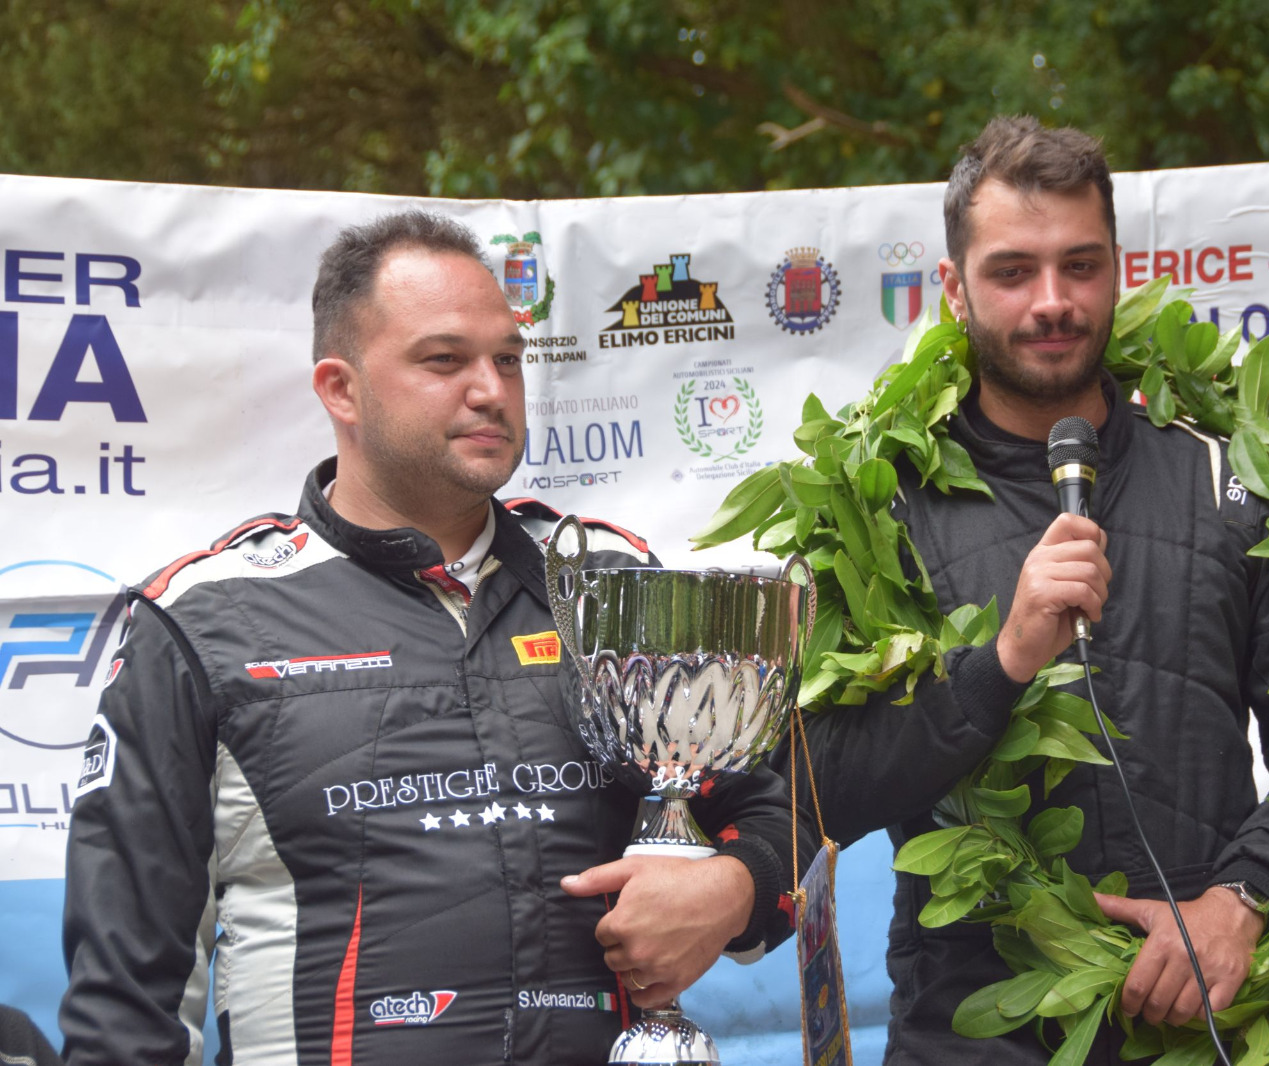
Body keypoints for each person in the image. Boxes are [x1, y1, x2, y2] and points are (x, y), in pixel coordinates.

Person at [58, 211, 804, 1065]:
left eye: (509, 361)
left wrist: (736, 888)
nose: (491, 389)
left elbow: (780, 799)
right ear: (341, 389)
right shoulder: (202, 619)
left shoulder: (613, 584)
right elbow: (126, 1000)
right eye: (444, 360)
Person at [790, 117, 1269, 1064]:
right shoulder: (881, 509)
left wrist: (1243, 897)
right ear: (953, 290)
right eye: (1012, 272)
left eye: (1081, 266)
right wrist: (1002, 662)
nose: (1053, 302)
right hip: (970, 1035)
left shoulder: (1228, 481)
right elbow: (821, 789)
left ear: (1119, 268)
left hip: (1201, 1022)